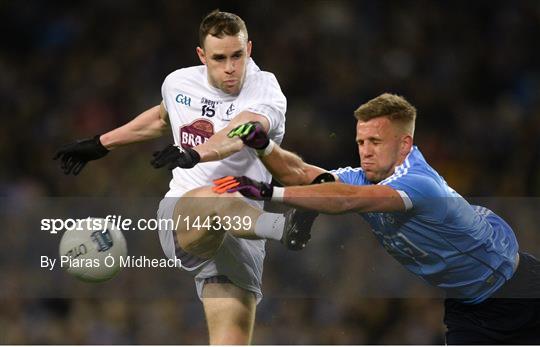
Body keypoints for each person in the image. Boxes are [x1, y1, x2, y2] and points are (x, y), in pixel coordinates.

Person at [53, 10, 313, 344]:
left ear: (249, 49)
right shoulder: (179, 82)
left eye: (237, 55)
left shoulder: (266, 89)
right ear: (202, 56)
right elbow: (162, 118)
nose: (231, 67)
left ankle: (276, 228)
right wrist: (100, 143)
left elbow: (242, 132)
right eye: (219, 58)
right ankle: (285, 228)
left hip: (245, 232)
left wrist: (196, 153)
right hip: (185, 214)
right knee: (221, 195)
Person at [215, 93, 540, 344]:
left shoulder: (419, 182)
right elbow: (301, 174)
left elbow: (347, 200)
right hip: (468, 307)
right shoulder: (361, 176)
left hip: (520, 288)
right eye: (360, 142)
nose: (365, 151)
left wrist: (268, 193)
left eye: (375, 142)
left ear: (404, 145)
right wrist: (262, 145)